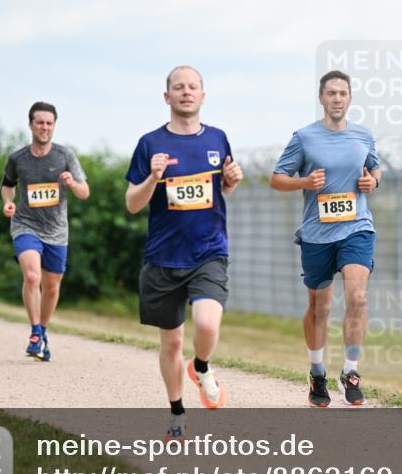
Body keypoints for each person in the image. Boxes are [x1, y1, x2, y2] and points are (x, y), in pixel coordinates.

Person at [125, 65, 243, 440]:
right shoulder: (150, 144)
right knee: (171, 341)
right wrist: (153, 178)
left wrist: (231, 183)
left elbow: (219, 192)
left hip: (208, 251)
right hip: (163, 256)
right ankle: (177, 414)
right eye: (179, 87)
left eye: (193, 87)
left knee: (207, 324)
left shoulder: (219, 138)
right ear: (167, 97)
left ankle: (202, 366)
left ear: (203, 95)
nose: (186, 92)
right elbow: (132, 203)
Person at [270, 70, 381, 407]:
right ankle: (317, 372)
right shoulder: (304, 137)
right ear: (321, 98)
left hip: (357, 227)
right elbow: (277, 179)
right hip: (318, 232)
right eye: (331, 93)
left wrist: (373, 183)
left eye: (342, 93)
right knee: (320, 305)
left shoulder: (363, 135)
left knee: (358, 297)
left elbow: (375, 169)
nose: (337, 99)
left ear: (349, 98)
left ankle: (350, 371)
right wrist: (304, 183)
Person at [1, 101, 90, 362]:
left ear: (54, 126)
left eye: (49, 123)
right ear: (30, 125)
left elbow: (85, 193)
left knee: (51, 286)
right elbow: (7, 186)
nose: (44, 127)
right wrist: (8, 201)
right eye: (39, 122)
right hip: (25, 224)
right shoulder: (18, 158)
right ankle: (35, 332)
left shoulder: (64, 155)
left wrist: (72, 182)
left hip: (56, 231)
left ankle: (43, 331)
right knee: (32, 276)